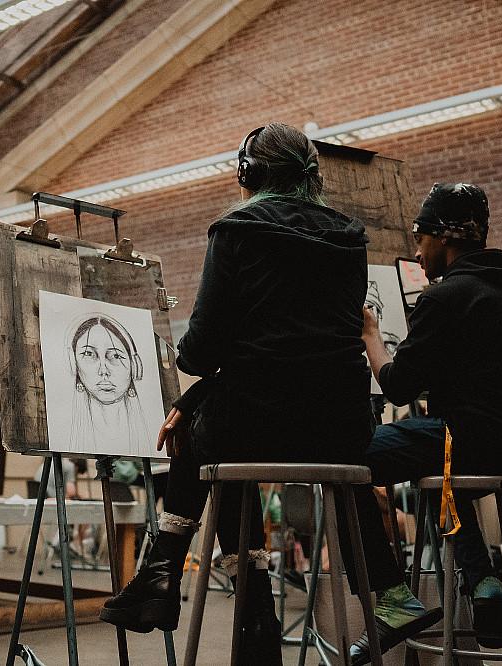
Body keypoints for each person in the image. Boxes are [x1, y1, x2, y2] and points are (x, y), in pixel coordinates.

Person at [99, 123, 378, 662]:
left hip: (254, 425)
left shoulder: (237, 229)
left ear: (247, 175)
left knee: (202, 435)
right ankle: (254, 618)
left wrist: (192, 379)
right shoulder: (350, 237)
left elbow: (201, 352)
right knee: (212, 420)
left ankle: (167, 577)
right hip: (340, 431)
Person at [350, 183, 502, 663]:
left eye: (420, 238)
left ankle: (392, 600)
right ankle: (484, 583)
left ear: (443, 239)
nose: (417, 250)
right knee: (441, 472)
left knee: (346, 461)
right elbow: (489, 376)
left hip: (474, 442)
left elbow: (399, 385)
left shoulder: (447, 298)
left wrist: (371, 335)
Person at [67, 314, 152, 454]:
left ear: (134, 366)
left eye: (116, 356)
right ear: (74, 364)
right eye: (89, 354)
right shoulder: (70, 433)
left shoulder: (145, 433)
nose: (103, 370)